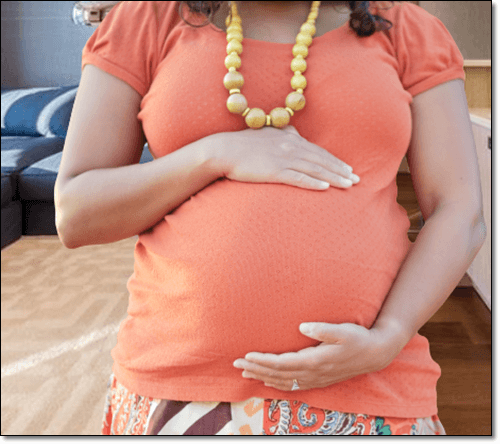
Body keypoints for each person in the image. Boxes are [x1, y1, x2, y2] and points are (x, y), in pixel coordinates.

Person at [55, 0, 486, 435]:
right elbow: (76, 212)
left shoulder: (409, 29)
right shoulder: (145, 19)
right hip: (177, 386)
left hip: (371, 385)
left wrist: (389, 335)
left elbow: (458, 210)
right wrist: (214, 155)